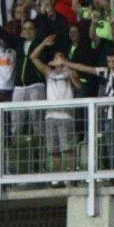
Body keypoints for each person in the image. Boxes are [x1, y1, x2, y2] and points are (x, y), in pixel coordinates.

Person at [27, 34, 76, 174]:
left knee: (67, 148)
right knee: (53, 149)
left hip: (66, 115)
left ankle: (72, 175)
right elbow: (33, 58)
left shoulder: (70, 72)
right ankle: (58, 176)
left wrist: (67, 66)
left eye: (60, 57)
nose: (57, 60)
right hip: (50, 116)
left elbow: (78, 85)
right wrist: (42, 44)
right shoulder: (49, 72)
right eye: (55, 58)